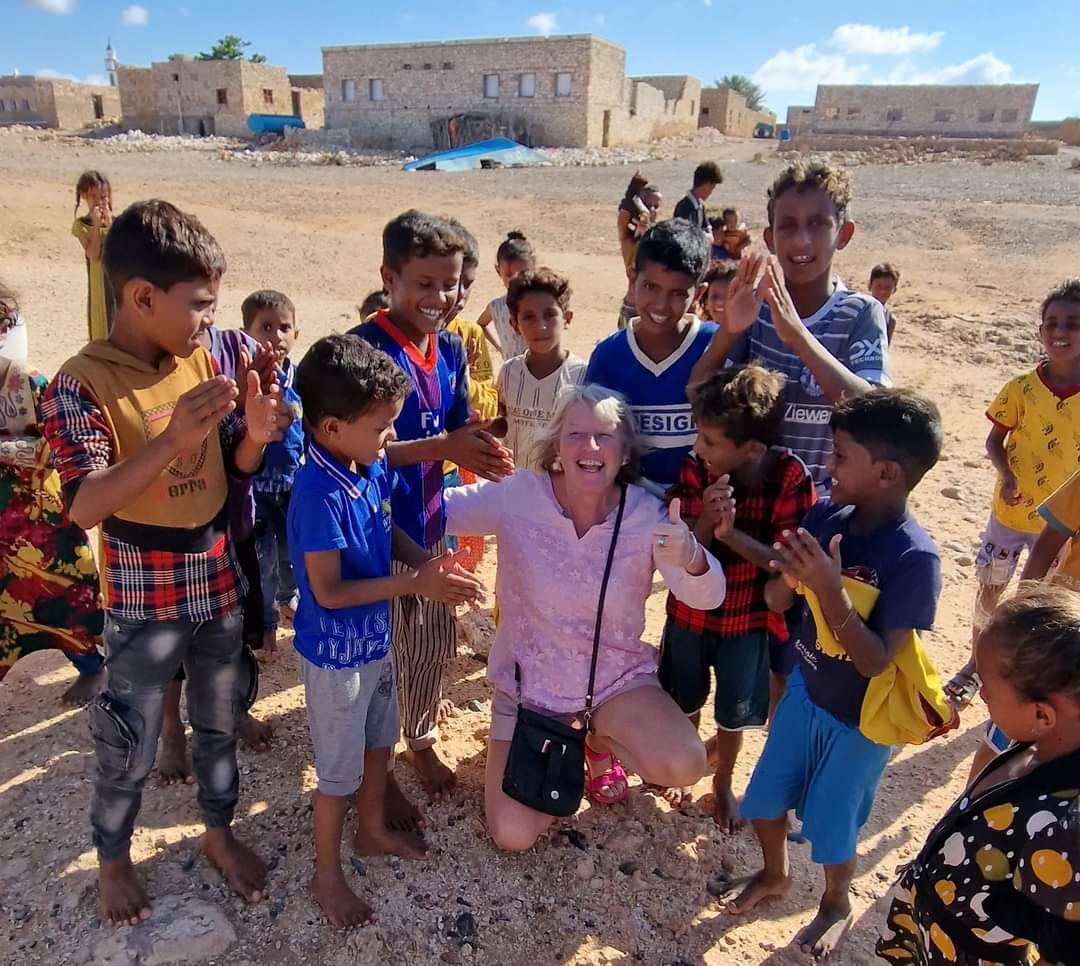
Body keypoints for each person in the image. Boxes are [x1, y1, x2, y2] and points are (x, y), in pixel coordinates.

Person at [41, 199, 281, 927]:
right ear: (142, 298)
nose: (210, 323)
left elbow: (229, 470)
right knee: (129, 739)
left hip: (216, 577)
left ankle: (217, 830)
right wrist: (171, 439)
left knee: (218, 717)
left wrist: (258, 437)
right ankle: (114, 859)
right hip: (145, 594)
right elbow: (84, 506)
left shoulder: (200, 360)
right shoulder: (80, 383)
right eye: (199, 307)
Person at [444, 384, 727, 848]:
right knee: (513, 836)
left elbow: (707, 596)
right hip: (528, 690)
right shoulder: (519, 496)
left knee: (683, 763)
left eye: (605, 435)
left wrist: (691, 550)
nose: (590, 447)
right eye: (576, 434)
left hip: (613, 683)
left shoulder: (646, 514)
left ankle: (596, 742)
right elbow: (439, 513)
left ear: (624, 450)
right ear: (556, 445)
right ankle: (553, 745)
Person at [727, 388, 943, 960]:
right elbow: (776, 602)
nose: (829, 466)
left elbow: (876, 661)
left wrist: (828, 588)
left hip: (861, 724)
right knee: (765, 800)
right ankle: (775, 874)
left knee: (831, 828)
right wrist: (792, 575)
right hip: (805, 693)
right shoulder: (826, 515)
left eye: (842, 456)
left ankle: (835, 902)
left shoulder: (913, 559)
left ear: (887, 472)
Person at [288, 334, 484, 929]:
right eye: (380, 428)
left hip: (375, 645)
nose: (389, 441)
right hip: (336, 659)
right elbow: (328, 592)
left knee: (381, 744)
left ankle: (370, 833)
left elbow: (385, 529)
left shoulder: (362, 463)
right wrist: (412, 586)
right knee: (337, 774)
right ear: (329, 426)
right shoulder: (318, 494)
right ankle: (326, 877)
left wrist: (424, 564)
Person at [351, 209, 514, 798]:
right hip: (372, 535)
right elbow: (363, 452)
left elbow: (452, 429)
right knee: (379, 648)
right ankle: (378, 760)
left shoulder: (447, 350)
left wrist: (483, 446)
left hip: (431, 522)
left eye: (450, 283)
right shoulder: (363, 353)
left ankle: (417, 738)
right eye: (424, 283)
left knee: (429, 638)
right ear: (389, 278)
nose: (439, 296)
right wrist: (448, 444)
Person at [877, 585, 1080, 966]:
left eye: (987, 684)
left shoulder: (1065, 829)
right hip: (934, 926)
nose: (981, 693)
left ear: (1042, 715)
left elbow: (1062, 950)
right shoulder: (1038, 745)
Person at [660, 365, 815, 823]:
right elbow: (682, 544)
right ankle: (686, 769)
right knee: (683, 698)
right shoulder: (695, 469)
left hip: (747, 620)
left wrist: (731, 536)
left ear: (751, 449)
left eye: (710, 441)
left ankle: (722, 781)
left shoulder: (790, 478)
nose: (697, 448)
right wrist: (708, 523)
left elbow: (789, 564)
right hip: (690, 613)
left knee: (735, 713)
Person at [690, 159, 890, 496]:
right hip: (752, 507)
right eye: (787, 225)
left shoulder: (860, 313)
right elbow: (697, 393)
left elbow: (872, 415)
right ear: (769, 238)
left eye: (817, 224)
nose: (800, 240)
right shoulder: (755, 311)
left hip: (825, 506)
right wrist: (729, 330)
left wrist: (797, 336)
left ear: (843, 234)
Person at [946, 279, 1080, 708]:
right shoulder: (1021, 387)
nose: (1060, 332)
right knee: (991, 589)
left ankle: (1024, 675)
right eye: (1052, 323)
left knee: (1046, 603)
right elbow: (994, 441)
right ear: (1040, 331)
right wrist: (1005, 472)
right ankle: (976, 665)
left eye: (1073, 324)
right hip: (1011, 514)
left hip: (1061, 529)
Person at [0, 281, 105, 705]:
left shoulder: (33, 385)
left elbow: (60, 444)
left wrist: (10, 451)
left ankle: (91, 667)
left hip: (44, 524)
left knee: (65, 598)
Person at [586, 219, 714, 493]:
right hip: (630, 508)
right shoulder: (609, 356)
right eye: (651, 287)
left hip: (707, 511)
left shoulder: (716, 345)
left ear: (699, 293)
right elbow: (593, 440)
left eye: (678, 293)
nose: (660, 305)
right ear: (632, 279)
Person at [244, 289, 303, 649]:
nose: (276, 337)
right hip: (255, 489)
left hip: (293, 484)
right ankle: (266, 624)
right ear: (245, 332)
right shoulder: (245, 380)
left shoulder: (303, 382)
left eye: (284, 327)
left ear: (296, 333)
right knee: (263, 560)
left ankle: (287, 600)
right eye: (265, 327)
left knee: (292, 553)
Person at [497, 267, 587, 470]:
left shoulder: (583, 376)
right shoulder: (508, 372)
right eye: (529, 317)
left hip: (562, 494)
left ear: (567, 318)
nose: (541, 326)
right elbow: (504, 422)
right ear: (514, 325)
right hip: (514, 486)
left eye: (549, 315)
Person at [476, 231, 536, 359]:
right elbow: (480, 325)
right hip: (512, 373)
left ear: (533, 269)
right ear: (498, 271)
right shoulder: (496, 306)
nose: (516, 280)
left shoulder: (539, 304)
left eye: (523, 273)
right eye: (509, 275)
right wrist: (500, 348)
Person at [71, 170, 114, 341]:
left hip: (115, 278)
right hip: (98, 282)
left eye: (103, 197)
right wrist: (97, 227)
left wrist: (110, 227)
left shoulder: (117, 222)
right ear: (84, 196)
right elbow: (94, 254)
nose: (99, 202)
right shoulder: (82, 225)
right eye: (94, 197)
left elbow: (118, 250)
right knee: (100, 321)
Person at [617, 172, 662, 329]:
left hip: (656, 310)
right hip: (633, 309)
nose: (652, 210)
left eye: (656, 207)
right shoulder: (630, 240)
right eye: (648, 205)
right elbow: (622, 217)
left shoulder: (663, 238)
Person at [673, 161, 723, 234]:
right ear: (706, 184)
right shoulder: (684, 207)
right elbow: (686, 235)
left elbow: (707, 227)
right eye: (712, 188)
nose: (711, 192)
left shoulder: (700, 206)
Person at [869, 263, 900, 343]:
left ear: (894, 290)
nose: (882, 291)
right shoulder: (858, 311)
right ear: (869, 286)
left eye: (887, 288)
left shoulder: (890, 319)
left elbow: (885, 347)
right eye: (878, 286)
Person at [699, 262, 736, 326]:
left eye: (728, 296)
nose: (720, 302)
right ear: (706, 302)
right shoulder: (698, 332)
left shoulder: (752, 333)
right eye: (714, 296)